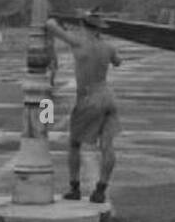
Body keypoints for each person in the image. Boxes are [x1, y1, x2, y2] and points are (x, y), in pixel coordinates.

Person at [45, 11, 122, 203]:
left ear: (83, 26)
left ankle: (75, 188)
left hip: (88, 97)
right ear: (99, 28)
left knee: (74, 143)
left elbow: (50, 25)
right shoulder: (108, 47)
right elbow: (118, 62)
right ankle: (101, 190)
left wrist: (55, 16)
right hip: (108, 96)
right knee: (107, 146)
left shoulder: (78, 42)